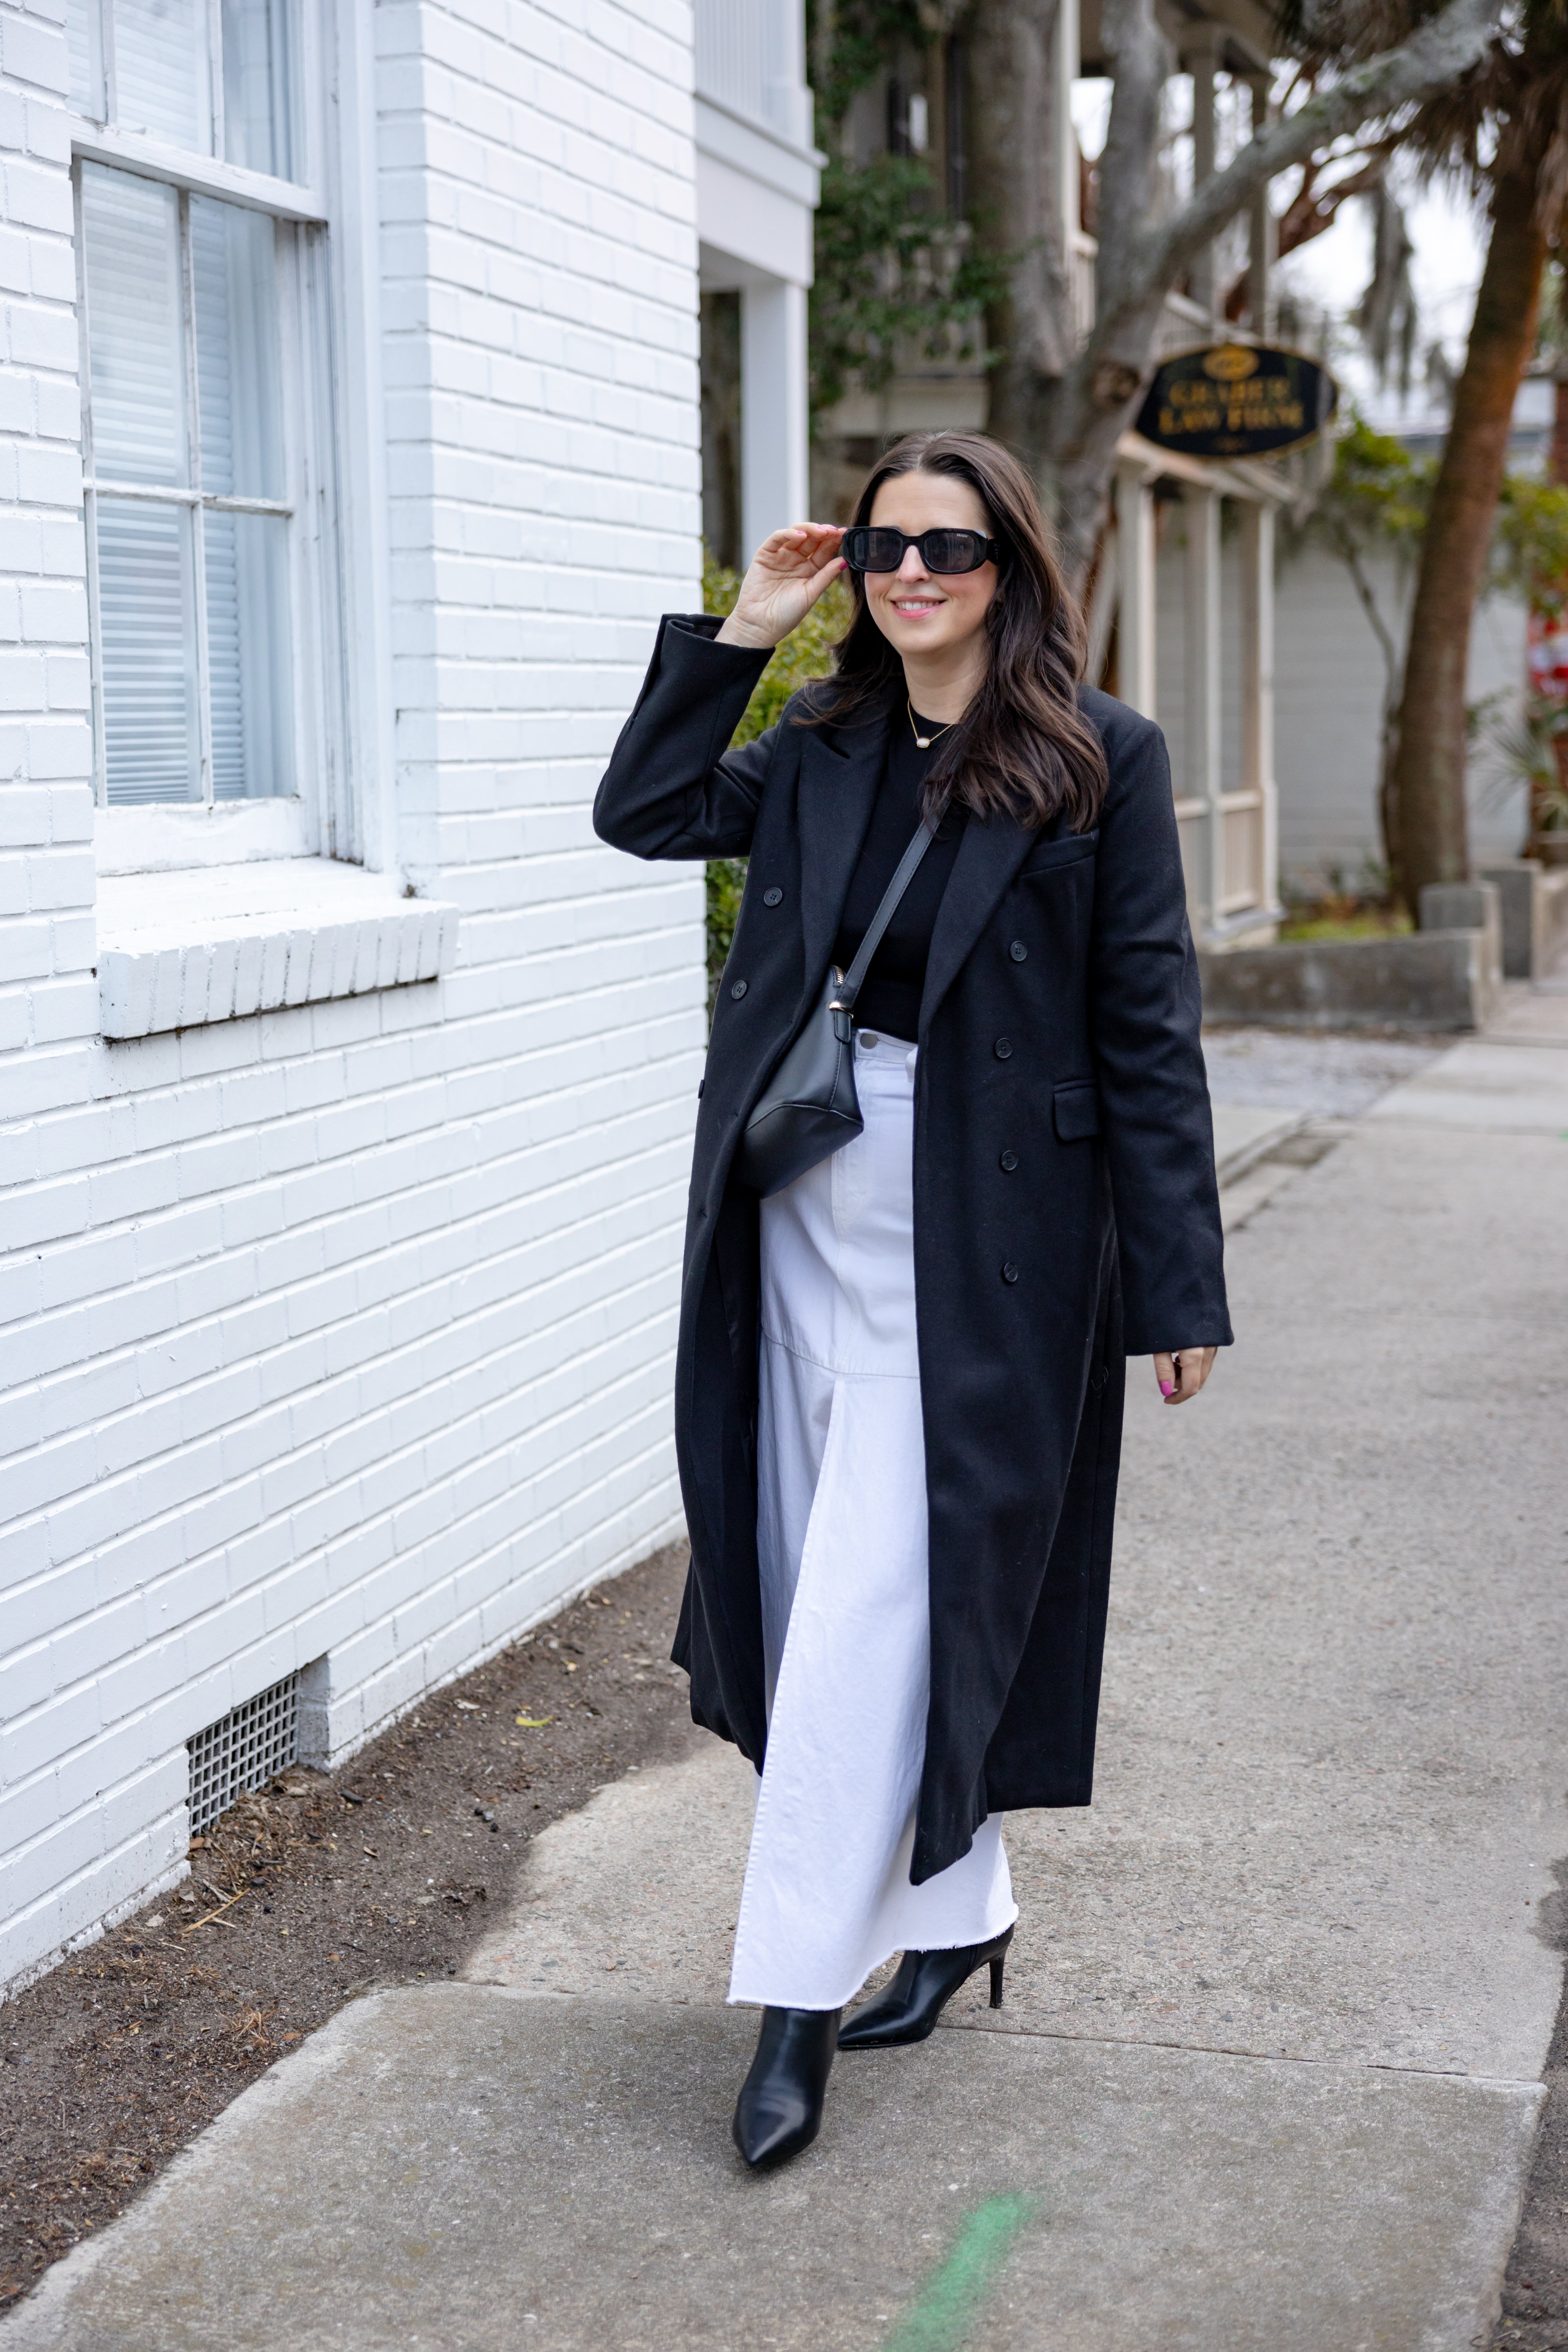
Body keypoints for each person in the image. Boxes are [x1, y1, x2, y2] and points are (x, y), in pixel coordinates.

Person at [593, 430, 1230, 2171]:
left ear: (1009, 568)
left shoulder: (1100, 760)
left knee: (871, 1614)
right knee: (815, 1593)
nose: (913, 572)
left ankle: (795, 1998)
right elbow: (643, 812)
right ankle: (957, 1913)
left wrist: (1177, 1283)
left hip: (985, 1256)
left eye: (948, 546)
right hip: (797, 1224)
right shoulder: (823, 738)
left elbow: (1147, 1036)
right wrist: (748, 624)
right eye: (885, 545)